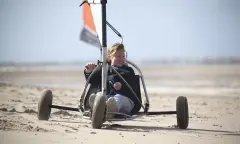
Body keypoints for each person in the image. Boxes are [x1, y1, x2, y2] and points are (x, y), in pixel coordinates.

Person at [84, 43, 138, 118]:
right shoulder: (104, 69)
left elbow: (133, 86)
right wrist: (89, 71)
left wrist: (122, 86)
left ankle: (111, 110)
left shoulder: (128, 70)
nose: (121, 59)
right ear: (110, 57)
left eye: (123, 56)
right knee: (100, 96)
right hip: (109, 98)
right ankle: (96, 107)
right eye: (118, 56)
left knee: (119, 98)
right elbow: (92, 80)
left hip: (126, 101)